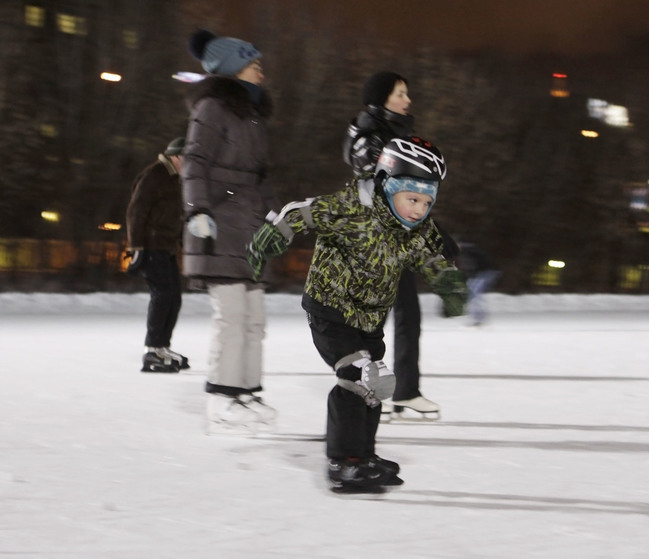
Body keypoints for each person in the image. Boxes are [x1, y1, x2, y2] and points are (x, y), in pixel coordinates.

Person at [247, 136, 467, 493]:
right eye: (412, 198)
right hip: (330, 310)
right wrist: (272, 234)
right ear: (385, 183)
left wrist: (448, 283)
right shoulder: (350, 208)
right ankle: (344, 462)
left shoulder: (412, 229)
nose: (418, 210)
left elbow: (429, 257)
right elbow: (302, 212)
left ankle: (364, 455)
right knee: (356, 376)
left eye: (427, 202)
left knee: (375, 384)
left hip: (369, 319)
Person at [181, 29, 282, 435]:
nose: (262, 71)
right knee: (232, 316)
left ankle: (247, 393)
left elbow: (260, 178)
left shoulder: (253, 116)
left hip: (252, 227)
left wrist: (277, 217)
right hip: (220, 223)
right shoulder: (211, 108)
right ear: (235, 68)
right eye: (255, 65)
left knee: (255, 319)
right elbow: (194, 162)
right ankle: (222, 398)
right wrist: (197, 210)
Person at [343, 71, 458, 419]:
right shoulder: (368, 140)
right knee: (371, 323)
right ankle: (363, 390)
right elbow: (383, 195)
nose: (408, 100)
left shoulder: (399, 138)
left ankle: (406, 391)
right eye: (400, 94)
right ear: (381, 100)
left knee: (409, 315)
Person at [125, 137, 189, 373]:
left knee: (174, 297)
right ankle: (151, 350)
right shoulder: (156, 174)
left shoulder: (175, 179)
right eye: (187, 159)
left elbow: (175, 216)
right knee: (162, 295)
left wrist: (182, 241)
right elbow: (136, 211)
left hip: (166, 247)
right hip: (151, 247)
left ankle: (162, 346)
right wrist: (137, 248)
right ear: (176, 156)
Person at [457, 239, 501, 325]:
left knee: (474, 294)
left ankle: (479, 318)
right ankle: (478, 317)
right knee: (472, 294)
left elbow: (476, 264)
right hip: (482, 273)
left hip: (484, 273)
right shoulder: (468, 250)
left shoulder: (468, 250)